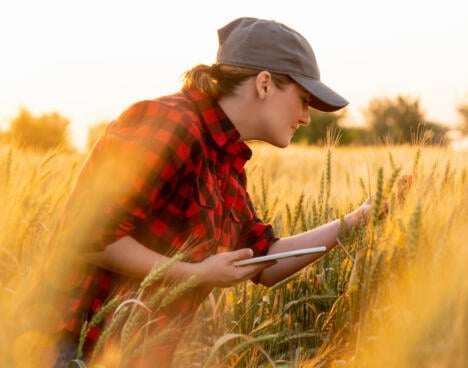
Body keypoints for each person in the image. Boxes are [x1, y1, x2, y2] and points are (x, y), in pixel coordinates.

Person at [51, 17, 374, 367]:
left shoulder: (225, 159)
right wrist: (199, 274)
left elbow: (262, 260)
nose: (307, 117)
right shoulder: (170, 122)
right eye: (303, 99)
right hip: (76, 350)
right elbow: (88, 236)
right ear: (264, 84)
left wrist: (360, 218)